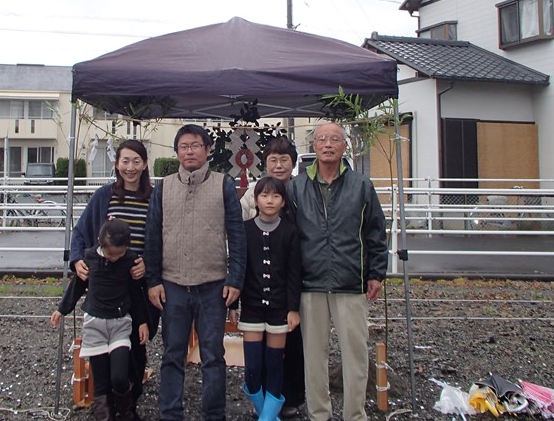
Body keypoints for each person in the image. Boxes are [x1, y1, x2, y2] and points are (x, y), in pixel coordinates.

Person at [144, 124, 247, 421]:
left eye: (196, 145)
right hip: (172, 284)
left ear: (207, 150)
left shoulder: (223, 184)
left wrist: (235, 279)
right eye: (184, 146)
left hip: (213, 284)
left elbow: (237, 235)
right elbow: (152, 237)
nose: (189, 151)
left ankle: (214, 414)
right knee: (172, 353)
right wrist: (153, 281)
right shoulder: (163, 187)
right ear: (177, 151)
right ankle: (170, 413)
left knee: (213, 356)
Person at [287, 122, 388, 421]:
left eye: (335, 139)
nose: (328, 144)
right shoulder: (296, 187)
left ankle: (354, 414)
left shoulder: (362, 186)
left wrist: (376, 273)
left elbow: (376, 231)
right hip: (310, 282)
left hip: (351, 281)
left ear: (345, 146)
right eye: (322, 139)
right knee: (313, 357)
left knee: (355, 354)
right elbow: (289, 239)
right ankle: (319, 414)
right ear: (314, 146)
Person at [69, 139, 158, 417]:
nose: (130, 167)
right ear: (117, 164)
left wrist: (149, 265)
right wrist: (77, 260)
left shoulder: (155, 198)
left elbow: (165, 238)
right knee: (101, 348)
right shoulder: (104, 196)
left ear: (145, 164)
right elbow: (81, 232)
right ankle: (104, 404)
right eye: (125, 161)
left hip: (138, 285)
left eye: (136, 161)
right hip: (107, 285)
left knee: (135, 345)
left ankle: (129, 403)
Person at [52, 219, 150, 421]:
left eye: (119, 254)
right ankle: (104, 416)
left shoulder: (130, 260)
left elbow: (136, 294)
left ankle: (126, 412)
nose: (115, 258)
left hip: (120, 324)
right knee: (101, 382)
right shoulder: (90, 257)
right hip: (95, 324)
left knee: (120, 377)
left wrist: (142, 322)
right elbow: (77, 286)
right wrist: (62, 309)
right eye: (111, 254)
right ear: (100, 242)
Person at [239, 136, 306, 418]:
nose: (279, 165)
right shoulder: (252, 193)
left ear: (293, 163)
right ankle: (264, 403)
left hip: (290, 280)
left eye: (284, 160)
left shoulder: (302, 190)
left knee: (292, 346)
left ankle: (289, 398)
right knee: (257, 357)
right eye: (273, 160)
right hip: (256, 290)